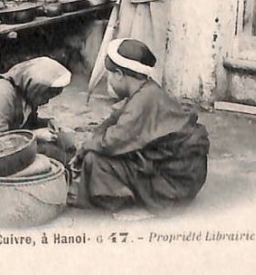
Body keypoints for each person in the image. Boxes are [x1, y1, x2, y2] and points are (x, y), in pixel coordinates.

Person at [70, 38, 209, 219]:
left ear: (119, 74)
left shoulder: (143, 100)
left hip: (175, 184)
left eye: (110, 75)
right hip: (184, 174)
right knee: (96, 152)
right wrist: (91, 140)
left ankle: (134, 203)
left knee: (95, 160)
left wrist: (85, 148)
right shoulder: (146, 89)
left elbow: (112, 141)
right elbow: (113, 121)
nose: (109, 81)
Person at [0, 56, 75, 164]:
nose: (46, 102)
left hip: (10, 144)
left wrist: (47, 123)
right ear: (34, 86)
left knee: (64, 148)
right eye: (45, 96)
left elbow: (26, 122)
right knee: (50, 154)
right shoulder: (1, 94)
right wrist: (34, 134)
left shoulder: (26, 93)